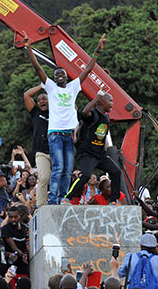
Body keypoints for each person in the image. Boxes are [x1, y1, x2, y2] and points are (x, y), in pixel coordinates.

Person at [24, 32, 106, 204]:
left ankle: (63, 198)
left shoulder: (73, 86)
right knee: (58, 167)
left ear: (66, 77)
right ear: (53, 80)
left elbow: (88, 70)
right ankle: (53, 199)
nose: (59, 76)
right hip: (54, 134)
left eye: (62, 74)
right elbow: (38, 68)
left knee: (68, 170)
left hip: (69, 135)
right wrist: (29, 49)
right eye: (56, 75)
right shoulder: (51, 88)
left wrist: (97, 51)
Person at [67, 91, 122, 203]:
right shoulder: (93, 114)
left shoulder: (106, 118)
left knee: (116, 172)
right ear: (102, 102)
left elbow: (102, 137)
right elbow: (84, 112)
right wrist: (97, 97)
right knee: (86, 175)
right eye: (110, 101)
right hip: (87, 153)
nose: (112, 103)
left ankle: (114, 200)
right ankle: (67, 197)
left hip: (99, 154)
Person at [24, 85, 50, 208]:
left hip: (57, 150)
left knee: (58, 177)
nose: (41, 102)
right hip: (41, 151)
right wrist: (42, 85)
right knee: (43, 178)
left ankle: (58, 200)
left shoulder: (56, 111)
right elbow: (27, 95)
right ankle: (41, 205)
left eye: (44, 99)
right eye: (39, 100)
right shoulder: (35, 112)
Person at [1, 206, 29, 283]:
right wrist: (22, 254)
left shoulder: (25, 228)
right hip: (12, 265)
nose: (13, 219)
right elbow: (13, 247)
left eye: (15, 217)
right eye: (11, 217)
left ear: (19, 215)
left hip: (24, 265)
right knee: (12, 288)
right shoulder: (5, 229)